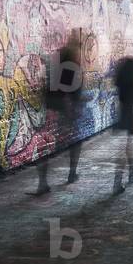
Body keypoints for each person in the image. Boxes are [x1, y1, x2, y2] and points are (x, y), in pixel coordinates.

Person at [34, 31, 85, 195]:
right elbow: (72, 88)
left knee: (46, 145)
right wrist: (75, 106)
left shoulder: (55, 58)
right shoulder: (73, 62)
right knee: (75, 140)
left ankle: (43, 183)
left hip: (51, 106)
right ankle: (72, 173)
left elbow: (47, 82)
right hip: (65, 108)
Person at [112, 56, 133, 194]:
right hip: (130, 118)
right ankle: (122, 180)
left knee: (126, 148)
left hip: (121, 116)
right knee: (128, 148)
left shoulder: (121, 84)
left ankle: (130, 173)